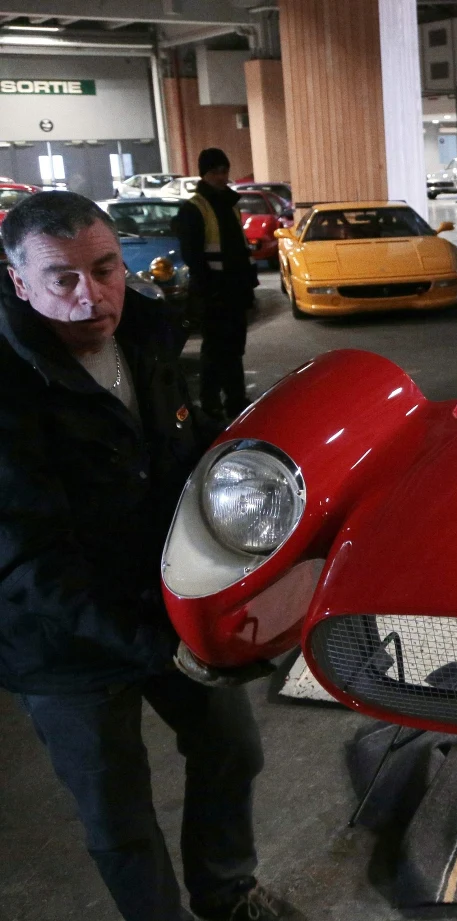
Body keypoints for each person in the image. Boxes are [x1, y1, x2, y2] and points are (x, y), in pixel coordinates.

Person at [0, 192, 295, 921]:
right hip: (59, 643)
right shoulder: (8, 389)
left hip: (168, 599)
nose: (92, 295)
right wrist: (158, 643)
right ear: (17, 282)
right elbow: (32, 563)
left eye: (105, 269)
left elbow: (185, 452)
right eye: (62, 278)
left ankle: (226, 891)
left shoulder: (148, 334)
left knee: (232, 751)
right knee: (119, 813)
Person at [177, 147, 257, 420]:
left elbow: (239, 250)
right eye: (215, 172)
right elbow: (193, 256)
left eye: (224, 171)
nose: (222, 177)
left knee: (229, 347)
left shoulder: (230, 205)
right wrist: (210, 289)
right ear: (204, 174)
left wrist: (248, 286)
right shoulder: (194, 208)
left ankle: (221, 400)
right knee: (218, 349)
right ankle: (225, 401)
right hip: (214, 292)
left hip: (234, 290)